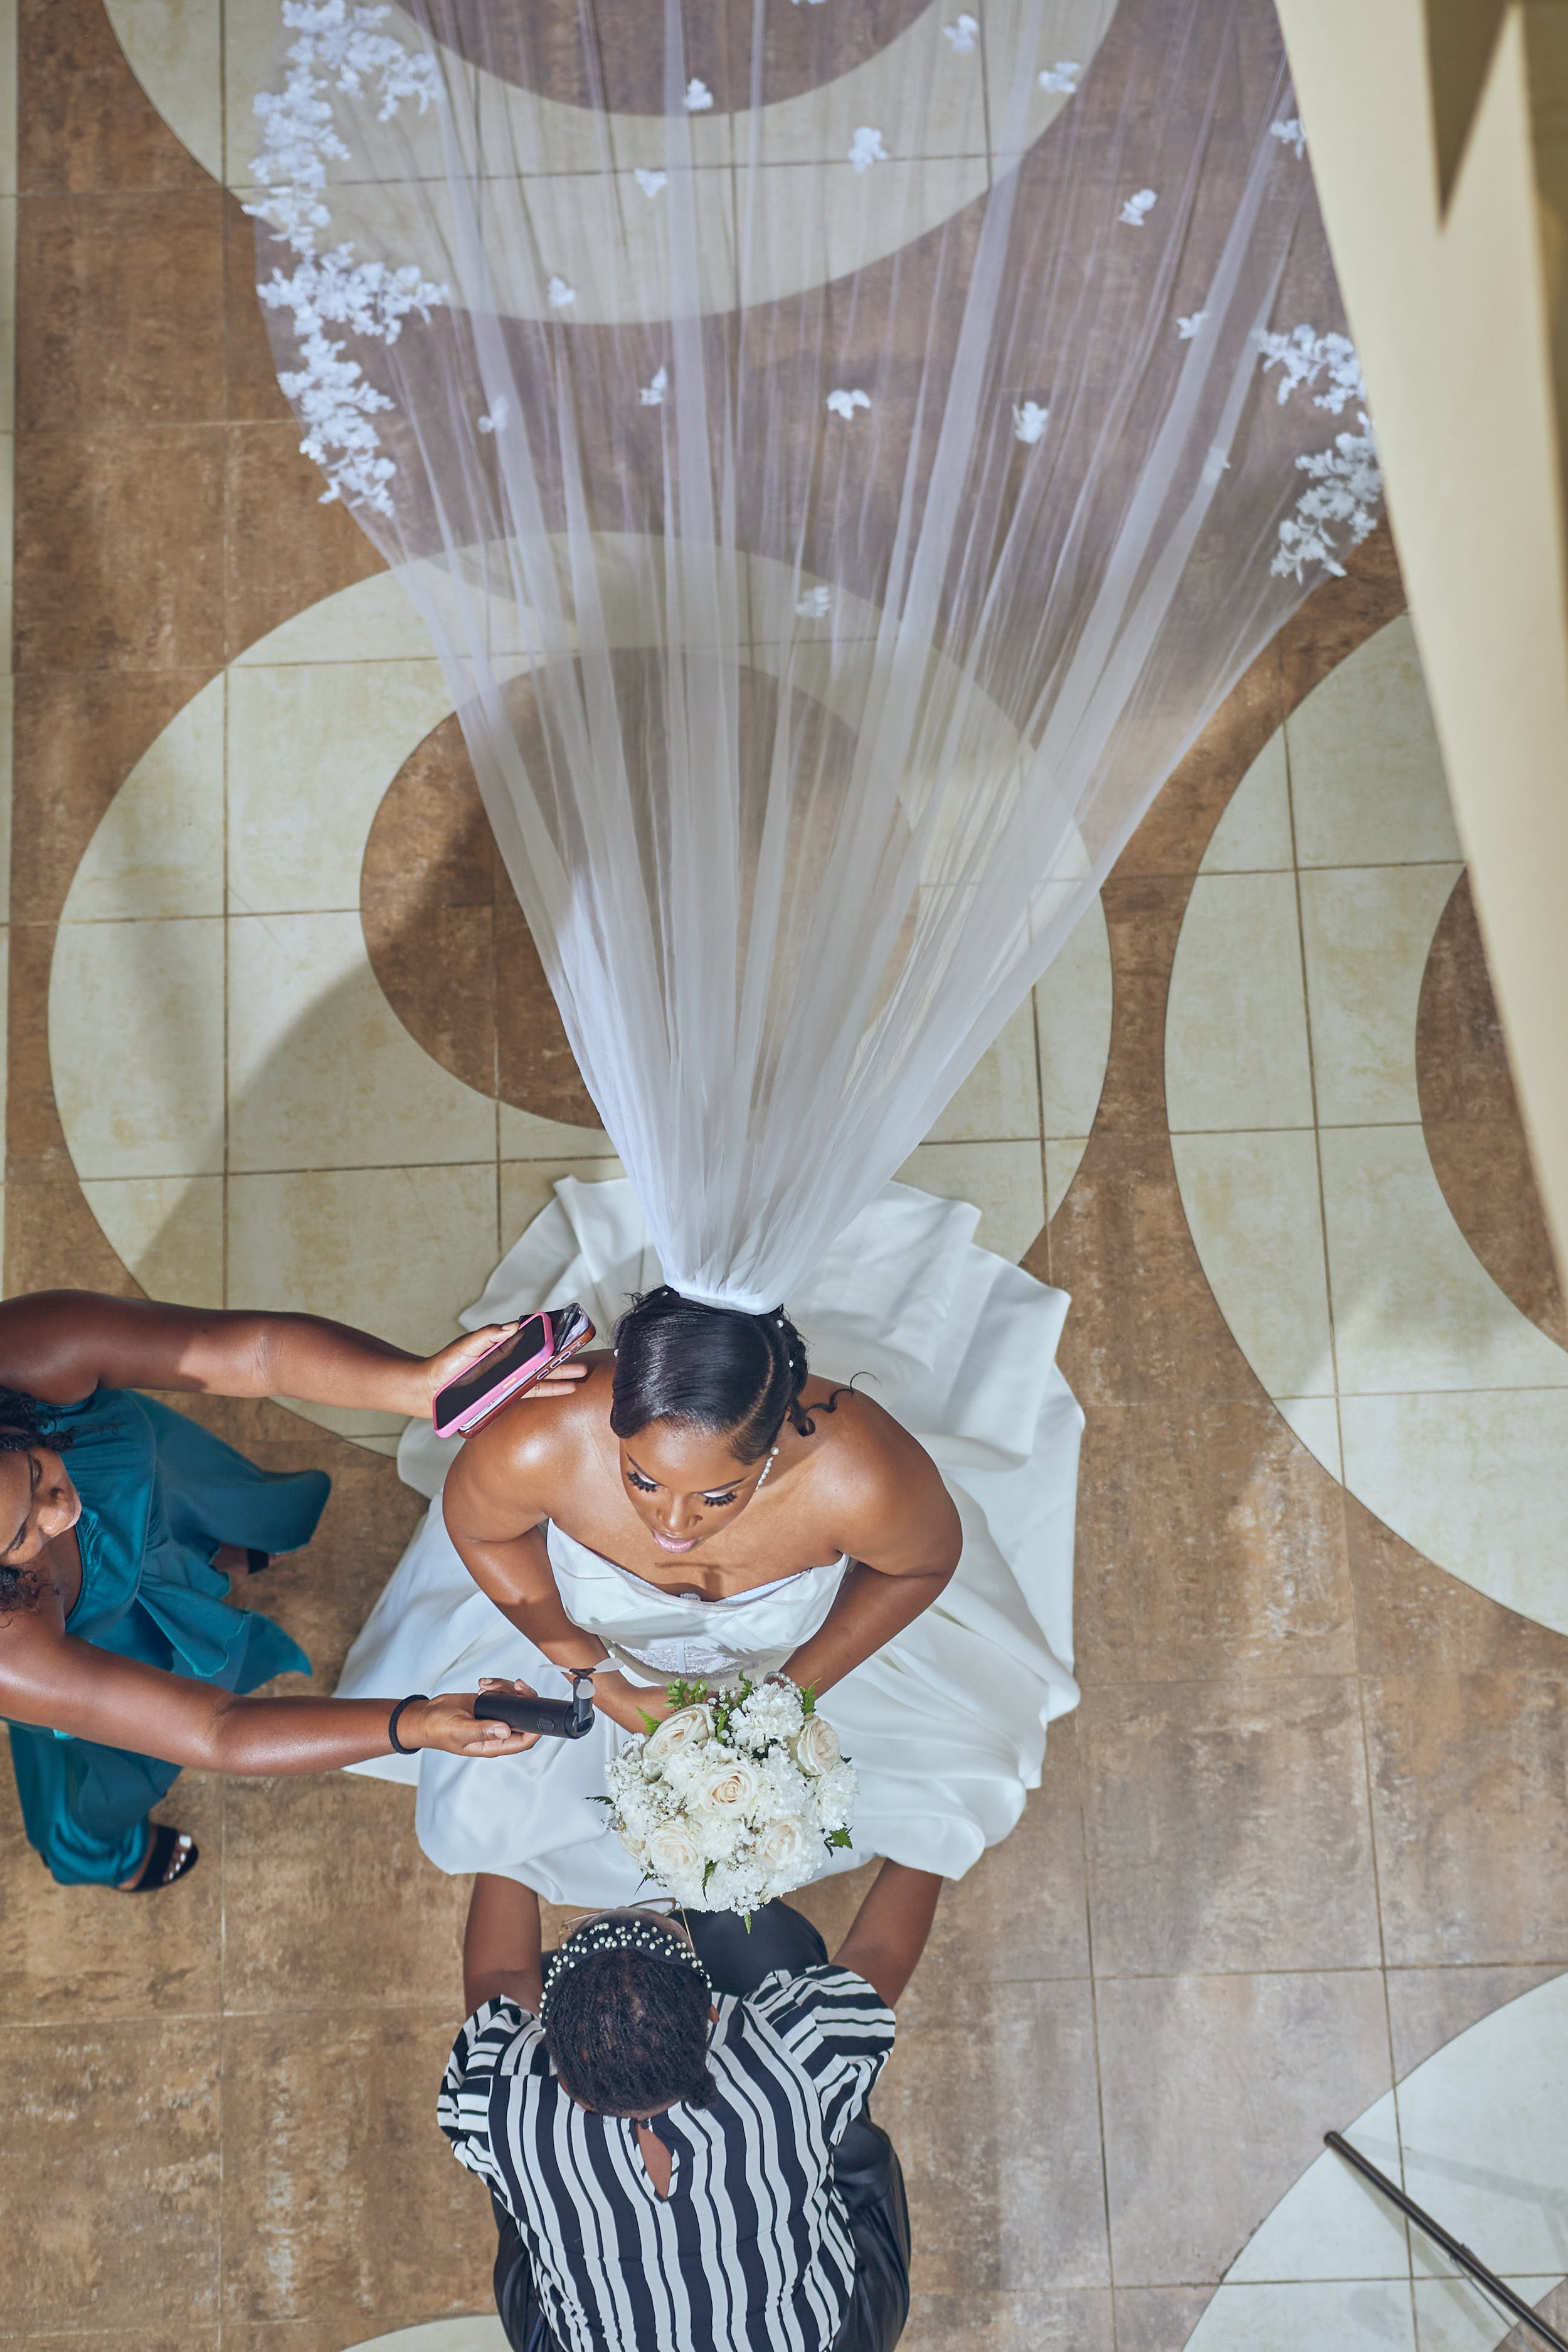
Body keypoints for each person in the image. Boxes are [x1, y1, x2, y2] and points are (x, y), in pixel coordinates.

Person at [339, 1173, 1083, 1902]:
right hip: (589, 1644)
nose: (672, 1527)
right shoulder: (540, 1443)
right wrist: (594, 1678)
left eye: (718, 1495)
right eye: (643, 1479)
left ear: (773, 1447)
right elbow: (480, 1532)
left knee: (956, 1773)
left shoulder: (855, 1477)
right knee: (479, 1815)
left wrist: (788, 1697)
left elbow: (920, 1568)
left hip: (779, 1661)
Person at [0, 1289, 586, 1890]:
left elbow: (260, 1355)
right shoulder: (12, 1651)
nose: (64, 1511)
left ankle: (203, 1550)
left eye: (34, 1467)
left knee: (193, 1505)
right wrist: (416, 1723)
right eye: (22, 1536)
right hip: (103, 1632)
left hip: (155, 1489)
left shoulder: (27, 1350)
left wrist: (419, 1385)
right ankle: (94, 1854)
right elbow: (216, 1729)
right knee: (110, 1763)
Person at [442, 1855, 940, 2352]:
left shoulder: (503, 2106)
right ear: (714, 2014)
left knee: (501, 2154)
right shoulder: (794, 2066)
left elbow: (504, 1968)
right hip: (830, 2337)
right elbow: (880, 1950)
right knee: (839, 2110)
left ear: (558, 2070)